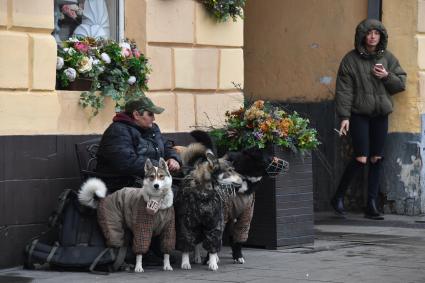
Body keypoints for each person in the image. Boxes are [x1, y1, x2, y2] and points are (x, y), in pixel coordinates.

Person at [332, 19, 406, 220]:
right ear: (362, 36)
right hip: (359, 115)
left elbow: (400, 84)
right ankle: (338, 196)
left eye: (376, 33)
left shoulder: (388, 58)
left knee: (376, 158)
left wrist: (386, 76)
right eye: (369, 33)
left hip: (380, 115)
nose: (373, 36)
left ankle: (371, 205)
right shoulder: (350, 60)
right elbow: (344, 91)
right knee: (361, 158)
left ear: (381, 36)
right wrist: (344, 117)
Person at [96, 95, 181, 192]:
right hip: (122, 185)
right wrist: (159, 166)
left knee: (188, 188)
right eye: (150, 114)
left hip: (150, 180)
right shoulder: (118, 131)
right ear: (136, 115)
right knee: (177, 194)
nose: (154, 118)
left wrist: (173, 158)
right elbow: (126, 162)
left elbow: (166, 146)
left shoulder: (152, 128)